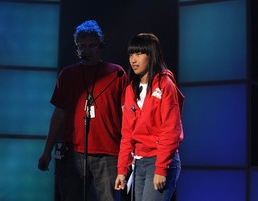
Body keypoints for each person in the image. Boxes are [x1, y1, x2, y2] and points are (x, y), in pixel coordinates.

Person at [38, 20, 128, 201]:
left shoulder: (116, 73)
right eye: (82, 46)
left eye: (91, 46)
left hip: (108, 153)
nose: (86, 50)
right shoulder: (67, 75)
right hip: (73, 153)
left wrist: (128, 152)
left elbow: (127, 114)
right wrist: (47, 150)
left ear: (100, 45)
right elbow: (59, 114)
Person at [114, 33, 184, 201]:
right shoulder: (131, 89)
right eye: (131, 54)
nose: (133, 59)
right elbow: (127, 133)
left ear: (151, 54)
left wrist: (161, 168)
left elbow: (170, 129)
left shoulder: (165, 84)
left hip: (160, 160)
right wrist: (122, 170)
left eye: (139, 53)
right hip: (139, 162)